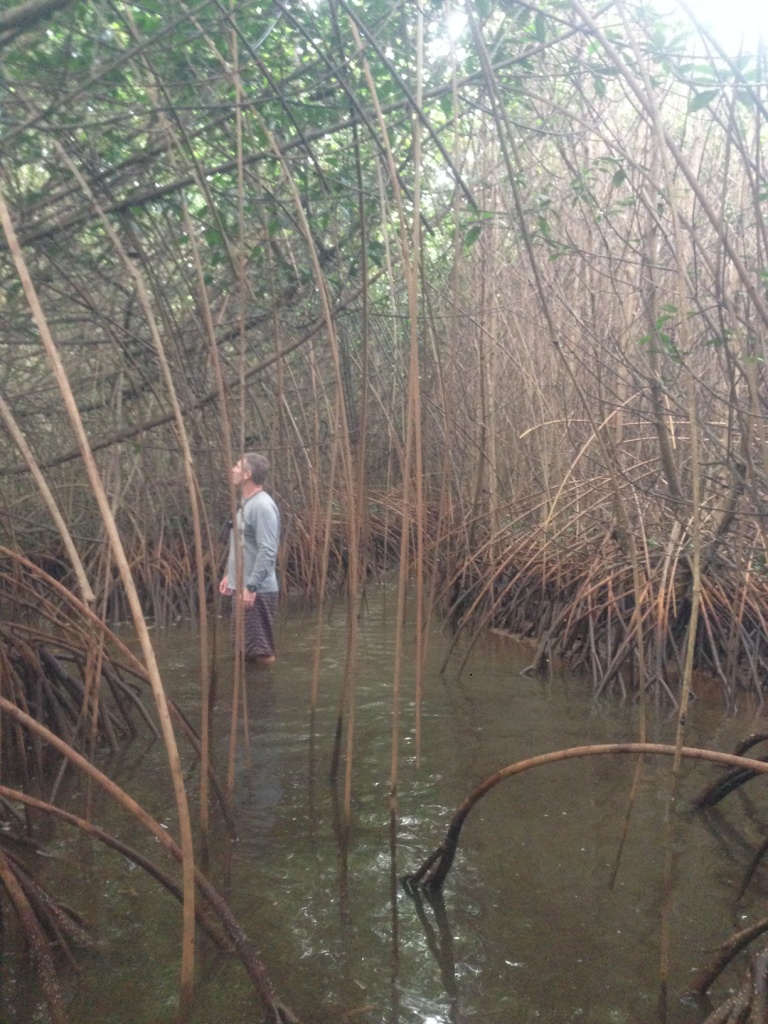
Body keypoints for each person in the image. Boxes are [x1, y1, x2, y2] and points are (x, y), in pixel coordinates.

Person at [219, 452, 280, 665]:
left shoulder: (262, 506)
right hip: (242, 587)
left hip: (256, 591)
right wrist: (229, 575)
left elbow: (268, 551)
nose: (232, 470)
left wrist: (251, 587)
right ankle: (252, 696)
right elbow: (240, 544)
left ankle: (264, 696)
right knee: (243, 651)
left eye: (237, 466)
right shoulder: (245, 505)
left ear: (247, 474)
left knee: (260, 652)